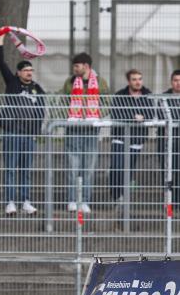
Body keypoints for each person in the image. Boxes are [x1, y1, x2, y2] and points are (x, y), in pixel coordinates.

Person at [0, 30, 46, 215]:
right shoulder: (12, 83)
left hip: (29, 135)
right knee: (10, 168)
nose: (29, 73)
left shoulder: (37, 88)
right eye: (25, 70)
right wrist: (0, 41)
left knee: (26, 170)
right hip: (12, 133)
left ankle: (25, 201)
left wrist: (35, 132)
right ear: (18, 73)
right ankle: (10, 202)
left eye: (31, 70)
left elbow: (41, 110)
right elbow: (1, 63)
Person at [61, 53, 110, 214]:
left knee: (88, 167)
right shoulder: (69, 82)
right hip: (73, 129)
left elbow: (107, 102)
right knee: (72, 166)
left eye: (77, 66)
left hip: (91, 129)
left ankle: (85, 201)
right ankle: (72, 200)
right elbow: (62, 102)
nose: (74, 69)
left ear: (86, 66)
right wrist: (69, 116)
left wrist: (95, 115)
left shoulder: (101, 82)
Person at [109, 69, 154, 202]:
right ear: (128, 81)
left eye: (140, 79)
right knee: (116, 167)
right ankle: (116, 196)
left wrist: (143, 116)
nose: (138, 82)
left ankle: (124, 196)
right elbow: (116, 113)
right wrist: (134, 117)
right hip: (120, 138)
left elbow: (152, 113)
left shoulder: (148, 95)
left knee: (128, 169)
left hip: (137, 139)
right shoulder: (120, 95)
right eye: (134, 79)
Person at [157, 70, 180, 198]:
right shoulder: (164, 97)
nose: (178, 83)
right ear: (171, 82)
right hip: (166, 142)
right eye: (176, 80)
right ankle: (169, 201)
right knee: (167, 173)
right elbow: (163, 116)